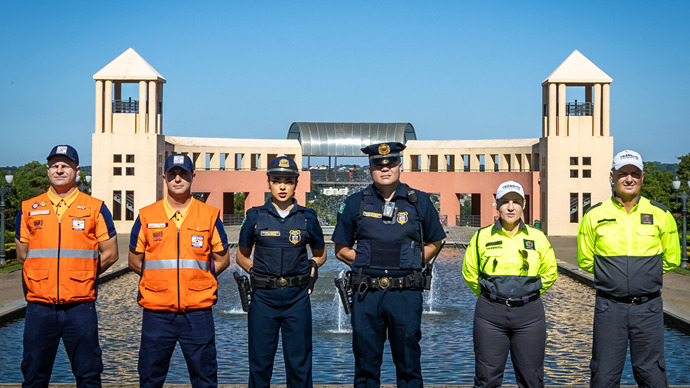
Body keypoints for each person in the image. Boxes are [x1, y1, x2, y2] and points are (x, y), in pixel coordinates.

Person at [332, 142, 445, 388]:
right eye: (378, 164)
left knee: (408, 367)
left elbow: (436, 241)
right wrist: (369, 261)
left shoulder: (419, 202)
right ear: (370, 168)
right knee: (365, 368)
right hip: (366, 295)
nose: (385, 168)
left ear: (399, 166)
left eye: (391, 163)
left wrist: (414, 261)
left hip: (405, 294)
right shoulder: (355, 203)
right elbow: (340, 250)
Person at [14, 144, 119, 387]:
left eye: (66, 166)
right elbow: (23, 255)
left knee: (88, 375)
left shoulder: (95, 207)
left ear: (77, 170)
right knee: (34, 377)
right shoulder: (28, 208)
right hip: (40, 307)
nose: (59, 170)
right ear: (48, 170)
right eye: (55, 166)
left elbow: (111, 253)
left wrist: (82, 276)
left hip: (80, 307)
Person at [578, 150, 680, 387]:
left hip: (649, 309)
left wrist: (642, 276)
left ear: (643, 177)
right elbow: (585, 260)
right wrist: (615, 277)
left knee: (652, 375)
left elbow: (672, 258)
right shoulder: (594, 215)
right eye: (623, 173)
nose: (629, 178)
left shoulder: (661, 214)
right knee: (603, 376)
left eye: (634, 173)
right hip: (608, 308)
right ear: (612, 176)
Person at [128, 154, 230, 388]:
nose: (177, 179)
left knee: (204, 378)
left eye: (183, 173)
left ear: (193, 176)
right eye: (172, 174)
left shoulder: (209, 215)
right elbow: (134, 261)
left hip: (198, 312)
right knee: (150, 378)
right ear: (164, 177)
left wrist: (200, 281)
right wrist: (158, 282)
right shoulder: (146, 216)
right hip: (157, 312)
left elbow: (222, 259)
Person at [235, 155, 326, 388]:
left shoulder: (308, 218)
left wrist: (313, 265)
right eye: (277, 181)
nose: (282, 186)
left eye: (288, 181)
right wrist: (254, 270)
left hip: (297, 299)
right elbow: (240, 255)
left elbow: (321, 253)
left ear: (296, 183)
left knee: (299, 364)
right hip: (263, 299)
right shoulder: (255, 217)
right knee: (260, 363)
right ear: (269, 182)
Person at [462, 180, 557, 388]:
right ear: (497, 205)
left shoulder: (537, 237)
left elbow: (550, 272)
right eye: (505, 202)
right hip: (490, 315)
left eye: (516, 202)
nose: (511, 207)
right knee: (486, 379)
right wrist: (493, 296)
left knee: (532, 379)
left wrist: (528, 294)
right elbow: (469, 272)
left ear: (523, 205)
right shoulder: (481, 237)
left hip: (529, 315)